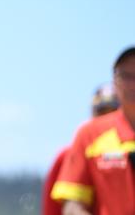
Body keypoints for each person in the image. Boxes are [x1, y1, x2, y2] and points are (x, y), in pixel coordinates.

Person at [51, 47, 135, 215]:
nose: (133, 83)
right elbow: (71, 205)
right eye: (126, 76)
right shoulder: (89, 135)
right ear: (115, 81)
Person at [42, 83, 119, 215]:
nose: (106, 118)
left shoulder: (127, 149)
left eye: (112, 112)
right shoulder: (67, 155)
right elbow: (54, 207)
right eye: (101, 111)